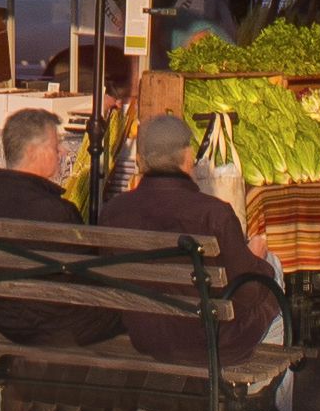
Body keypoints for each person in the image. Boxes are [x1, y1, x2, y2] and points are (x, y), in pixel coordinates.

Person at [108, 111, 284, 359]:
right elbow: (250, 293)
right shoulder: (213, 213)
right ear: (187, 158)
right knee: (273, 271)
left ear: (142, 160)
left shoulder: (115, 210)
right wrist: (257, 260)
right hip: (210, 340)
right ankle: (265, 391)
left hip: (146, 336)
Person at [0, 111, 122, 345]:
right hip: (57, 325)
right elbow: (89, 275)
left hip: (4, 318)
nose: (63, 152)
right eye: (56, 146)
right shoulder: (56, 212)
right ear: (33, 152)